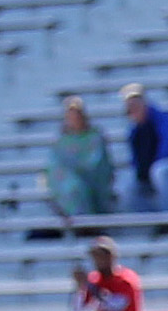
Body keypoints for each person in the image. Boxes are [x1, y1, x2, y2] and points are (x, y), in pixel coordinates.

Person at [43, 92, 116, 220]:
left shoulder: (95, 136)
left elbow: (98, 162)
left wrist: (79, 170)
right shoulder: (62, 141)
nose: (74, 119)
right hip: (68, 183)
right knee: (71, 187)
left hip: (91, 180)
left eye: (77, 115)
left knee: (79, 188)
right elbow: (56, 166)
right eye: (70, 115)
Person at [120, 80, 168, 211]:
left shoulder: (163, 119)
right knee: (128, 189)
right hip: (152, 173)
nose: (134, 109)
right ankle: (153, 220)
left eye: (137, 103)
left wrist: (150, 170)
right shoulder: (134, 132)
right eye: (130, 106)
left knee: (160, 171)